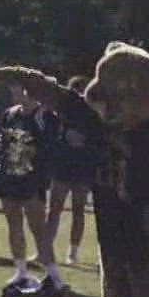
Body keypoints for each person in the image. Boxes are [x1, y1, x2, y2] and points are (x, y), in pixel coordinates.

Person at [24, 45, 149, 297]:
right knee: (111, 265)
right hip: (110, 202)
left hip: (144, 205)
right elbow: (72, 105)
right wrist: (33, 82)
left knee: (141, 265)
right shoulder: (102, 124)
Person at [0, 72, 65, 292]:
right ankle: (20, 271)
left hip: (31, 178)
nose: (14, 93)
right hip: (9, 176)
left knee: (37, 227)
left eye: (18, 88)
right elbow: (2, 142)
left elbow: (52, 147)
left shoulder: (45, 116)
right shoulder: (9, 114)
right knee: (13, 224)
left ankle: (53, 273)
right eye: (12, 88)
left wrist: (34, 155)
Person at [46, 75, 97, 266]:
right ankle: (46, 249)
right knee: (54, 209)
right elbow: (53, 135)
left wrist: (85, 140)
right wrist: (65, 136)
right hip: (63, 165)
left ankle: (73, 251)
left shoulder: (93, 114)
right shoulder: (62, 112)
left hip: (83, 166)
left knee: (78, 209)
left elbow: (99, 139)